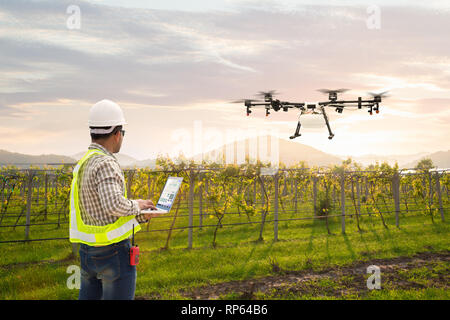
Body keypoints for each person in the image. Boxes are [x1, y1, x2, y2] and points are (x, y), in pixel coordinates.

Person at [69, 99, 158, 300]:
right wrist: (137, 205)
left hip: (87, 252)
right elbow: (113, 205)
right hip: (113, 255)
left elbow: (100, 212)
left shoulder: (84, 163)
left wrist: (140, 215)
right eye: (123, 133)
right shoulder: (106, 162)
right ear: (117, 134)